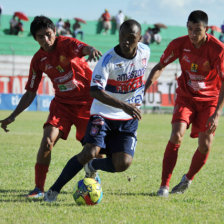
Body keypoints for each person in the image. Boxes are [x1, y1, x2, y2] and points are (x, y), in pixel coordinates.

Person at [43, 19, 150, 202]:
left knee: (123, 163)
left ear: (139, 39)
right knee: (89, 151)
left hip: (128, 118)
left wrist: (137, 98)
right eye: (122, 36)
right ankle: (53, 191)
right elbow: (95, 91)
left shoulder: (145, 51)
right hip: (103, 114)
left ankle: (92, 166)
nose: (125, 41)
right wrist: (125, 105)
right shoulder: (107, 60)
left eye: (130, 38)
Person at [0, 15, 102, 198]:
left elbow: (82, 48)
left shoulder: (67, 43)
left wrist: (91, 49)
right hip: (62, 105)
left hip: (87, 104)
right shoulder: (38, 60)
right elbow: (31, 92)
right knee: (47, 141)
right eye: (40, 37)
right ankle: (39, 188)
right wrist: (13, 115)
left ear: (55, 32)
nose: (46, 40)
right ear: (35, 39)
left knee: (95, 151)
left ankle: (92, 171)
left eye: (48, 34)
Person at [144, 10, 224, 197]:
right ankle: (164, 186)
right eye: (189, 29)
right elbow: (159, 66)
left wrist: (217, 113)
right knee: (176, 134)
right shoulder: (179, 44)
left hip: (209, 101)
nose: (193, 34)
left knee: (205, 144)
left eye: (197, 30)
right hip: (186, 98)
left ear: (206, 29)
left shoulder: (218, 49)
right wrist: (144, 88)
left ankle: (187, 179)